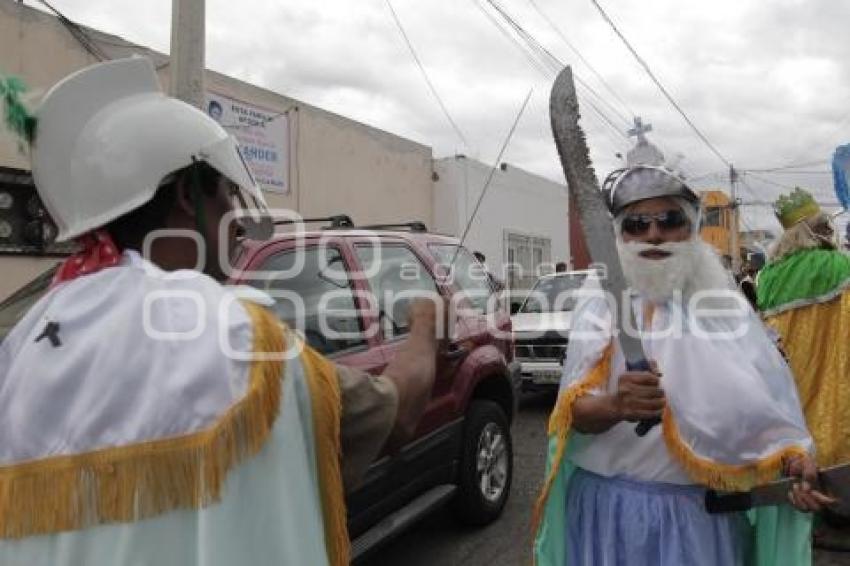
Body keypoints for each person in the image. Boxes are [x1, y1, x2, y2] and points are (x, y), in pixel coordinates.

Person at [0, 58, 439, 566]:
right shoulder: (236, 340)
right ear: (188, 195)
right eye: (229, 193)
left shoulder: (22, 347)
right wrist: (426, 323)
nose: (237, 221)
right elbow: (397, 413)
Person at [533, 166, 831, 566]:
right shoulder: (600, 307)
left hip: (698, 524)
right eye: (637, 224)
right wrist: (616, 407)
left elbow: (769, 416)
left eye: (670, 220)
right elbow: (573, 417)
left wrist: (794, 463)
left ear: (690, 229)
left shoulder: (727, 311)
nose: (653, 235)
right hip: (608, 521)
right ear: (621, 235)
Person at [757, 187, 850, 548]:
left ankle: (808, 517)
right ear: (816, 229)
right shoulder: (839, 266)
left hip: (789, 374)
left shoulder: (769, 276)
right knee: (836, 427)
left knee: (800, 433)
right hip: (834, 367)